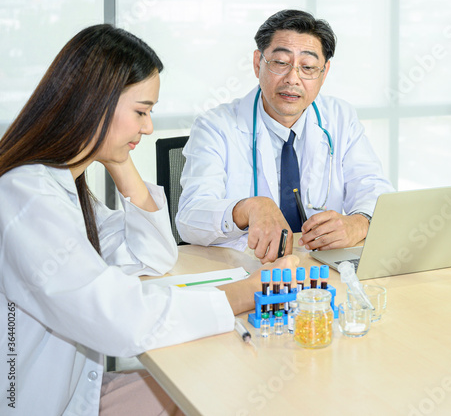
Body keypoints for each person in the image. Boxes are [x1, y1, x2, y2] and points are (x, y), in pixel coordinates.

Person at [0, 25, 297, 416]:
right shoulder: (26, 197)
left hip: (75, 394)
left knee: (209, 385)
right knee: (223, 392)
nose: (148, 127)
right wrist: (247, 292)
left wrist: (121, 163)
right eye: (141, 111)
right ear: (94, 103)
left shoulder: (63, 187)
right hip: (35, 404)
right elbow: (122, 320)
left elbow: (154, 258)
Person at [176, 9, 393, 263]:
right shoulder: (216, 126)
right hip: (247, 269)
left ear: (324, 73)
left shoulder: (340, 118)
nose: (293, 79)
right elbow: (189, 219)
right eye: (280, 63)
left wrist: (359, 223)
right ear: (258, 63)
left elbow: (376, 191)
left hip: (320, 271)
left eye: (308, 67)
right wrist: (249, 208)